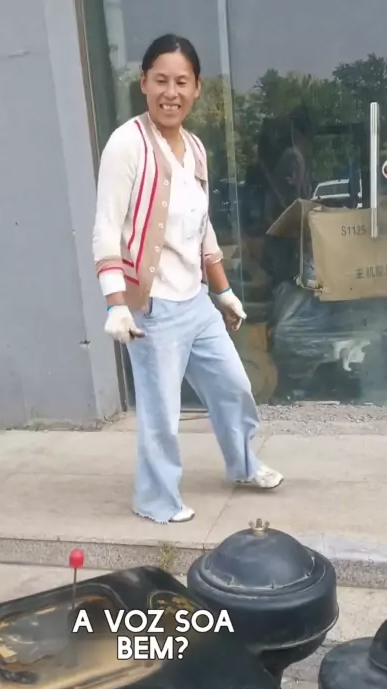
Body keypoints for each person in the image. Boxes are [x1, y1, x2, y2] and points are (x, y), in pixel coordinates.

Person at [92, 34, 283, 524]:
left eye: (182, 81)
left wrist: (223, 291)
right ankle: (156, 499)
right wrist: (116, 303)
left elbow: (202, 228)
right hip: (152, 308)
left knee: (234, 387)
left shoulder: (195, 148)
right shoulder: (127, 144)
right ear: (143, 83)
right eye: (161, 80)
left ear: (197, 88)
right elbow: (106, 229)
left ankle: (243, 465)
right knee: (161, 415)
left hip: (196, 303)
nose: (170, 92)